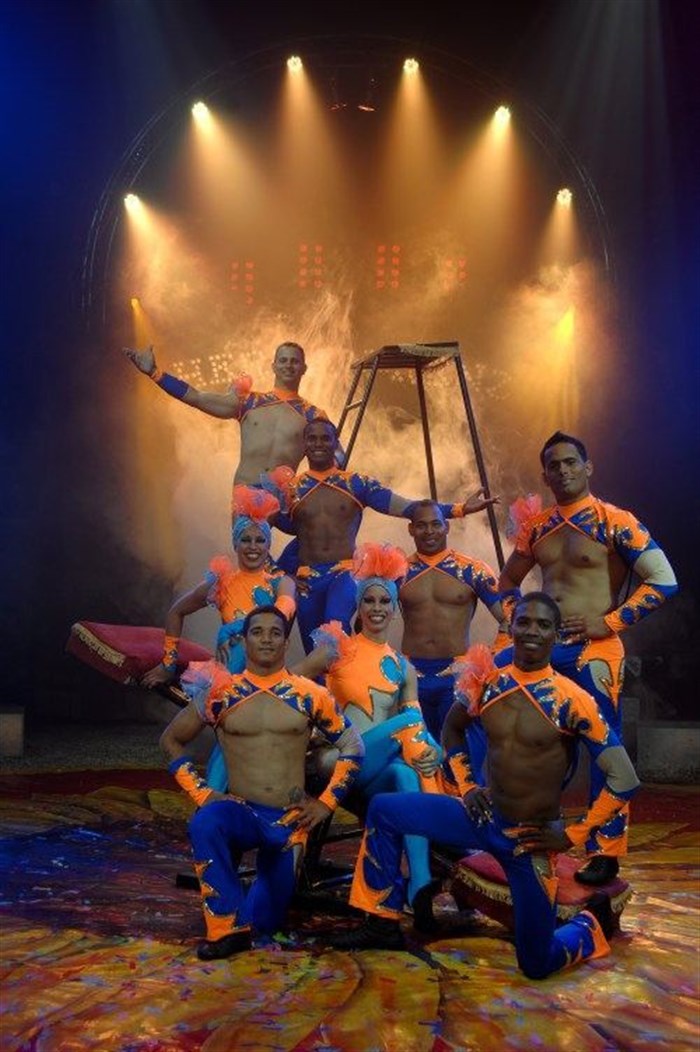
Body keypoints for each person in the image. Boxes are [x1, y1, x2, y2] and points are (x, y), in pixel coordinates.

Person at [328, 593, 640, 982]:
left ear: (556, 634)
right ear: (512, 627)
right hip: (480, 819)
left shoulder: (573, 701)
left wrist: (573, 835)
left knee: (537, 963)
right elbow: (452, 728)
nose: (531, 631)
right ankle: (380, 923)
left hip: (528, 841)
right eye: (524, 621)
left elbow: (624, 777)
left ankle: (591, 924)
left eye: (543, 625)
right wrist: (469, 786)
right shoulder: (487, 682)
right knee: (384, 811)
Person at [497, 431, 678, 885]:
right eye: (553, 465)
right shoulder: (537, 527)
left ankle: (605, 850)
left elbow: (663, 579)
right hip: (543, 651)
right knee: (533, 741)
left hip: (593, 651)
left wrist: (610, 622)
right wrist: (517, 619)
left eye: (570, 462)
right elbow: (507, 583)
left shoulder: (615, 521)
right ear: (545, 475)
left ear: (588, 467)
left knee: (602, 748)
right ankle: (526, 831)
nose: (563, 471)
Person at [160, 605, 364, 960]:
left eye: (275, 633)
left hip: (289, 822)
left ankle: (248, 910)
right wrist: (202, 793)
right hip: (242, 812)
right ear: (245, 640)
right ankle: (225, 930)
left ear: (286, 642)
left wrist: (325, 803)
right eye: (257, 632)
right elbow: (171, 739)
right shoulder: (221, 693)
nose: (266, 639)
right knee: (206, 821)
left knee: (262, 925)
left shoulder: (309, 694)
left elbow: (353, 746)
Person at [273, 419, 498, 653]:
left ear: (335, 443)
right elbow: (270, 529)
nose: (319, 444)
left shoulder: (355, 483)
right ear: (304, 444)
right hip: (307, 578)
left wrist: (460, 509)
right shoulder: (290, 490)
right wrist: (284, 575)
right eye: (312, 438)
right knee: (314, 650)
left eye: (325, 438)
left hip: (345, 572)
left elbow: (409, 508)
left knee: (334, 629)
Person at [306, 542, 442, 907]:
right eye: (369, 600)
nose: (377, 608)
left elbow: (418, 730)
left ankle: (420, 884)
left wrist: (438, 752)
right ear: (359, 605)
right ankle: (439, 816)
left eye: (385, 601)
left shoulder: (403, 667)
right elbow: (290, 683)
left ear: (395, 610)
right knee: (407, 723)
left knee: (405, 775)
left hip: (373, 769)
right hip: (333, 760)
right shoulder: (336, 648)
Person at [141, 486, 296, 790]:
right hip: (225, 679)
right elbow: (176, 612)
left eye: (260, 540)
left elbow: (284, 610)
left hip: (266, 678)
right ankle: (208, 799)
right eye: (246, 540)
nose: (253, 547)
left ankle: (221, 803)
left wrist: (237, 628)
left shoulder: (281, 583)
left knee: (246, 748)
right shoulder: (222, 582)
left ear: (269, 544)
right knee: (199, 741)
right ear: (235, 543)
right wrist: (168, 664)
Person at [123, 341, 329, 486]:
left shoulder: (313, 416)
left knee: (322, 527)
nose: (289, 365)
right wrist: (156, 373)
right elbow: (197, 397)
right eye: (283, 360)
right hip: (248, 497)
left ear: (304, 368)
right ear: (273, 367)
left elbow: (332, 463)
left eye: (294, 361)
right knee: (252, 539)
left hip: (287, 500)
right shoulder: (249, 402)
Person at [399, 499, 507, 742]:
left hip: (458, 675)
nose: (429, 531)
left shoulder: (472, 570)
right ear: (411, 529)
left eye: (436, 524)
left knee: (459, 751)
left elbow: (509, 619)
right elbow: (369, 611)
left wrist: (490, 662)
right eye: (421, 525)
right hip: (410, 676)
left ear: (446, 527)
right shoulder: (397, 571)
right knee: (418, 752)